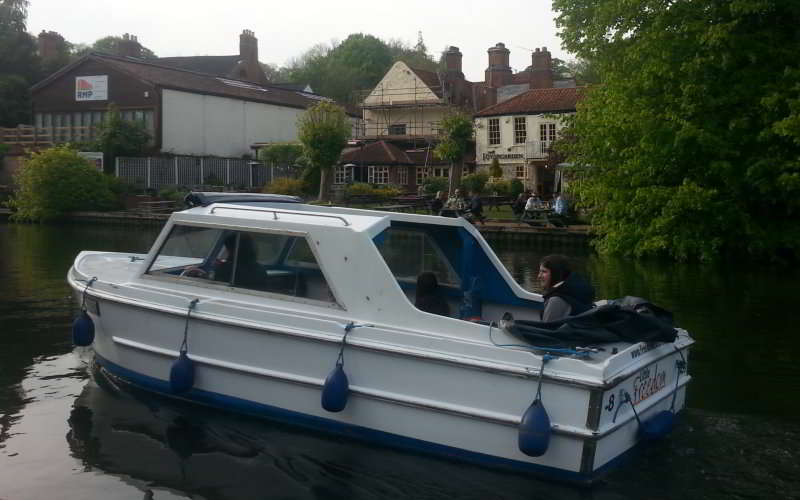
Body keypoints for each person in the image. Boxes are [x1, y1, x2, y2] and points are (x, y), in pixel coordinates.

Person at [537, 254, 595, 322]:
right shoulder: (575, 291)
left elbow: (547, 330)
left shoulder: (556, 301)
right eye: (540, 271)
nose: (539, 276)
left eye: (544, 271)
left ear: (556, 274)